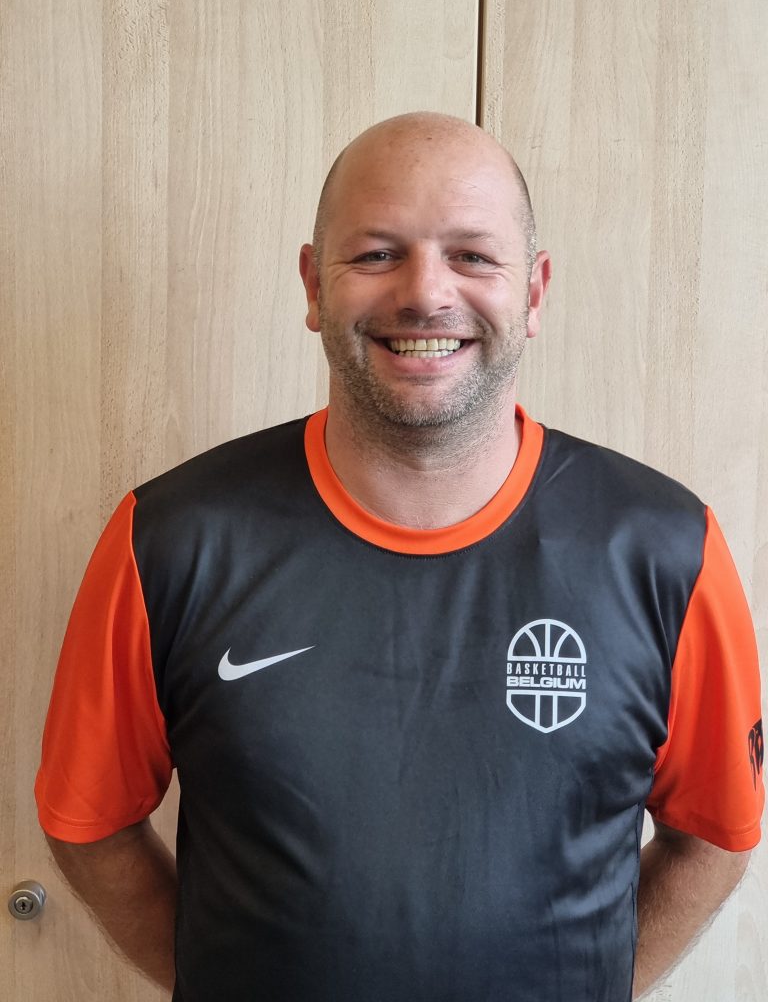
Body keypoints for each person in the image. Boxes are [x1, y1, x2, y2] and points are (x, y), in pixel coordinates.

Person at [36, 112, 764, 1002]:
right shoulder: (169, 538)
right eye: (378, 253)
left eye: (473, 256)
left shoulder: (667, 550)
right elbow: (90, 825)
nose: (425, 293)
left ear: (534, 292)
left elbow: (714, 835)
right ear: (314, 285)